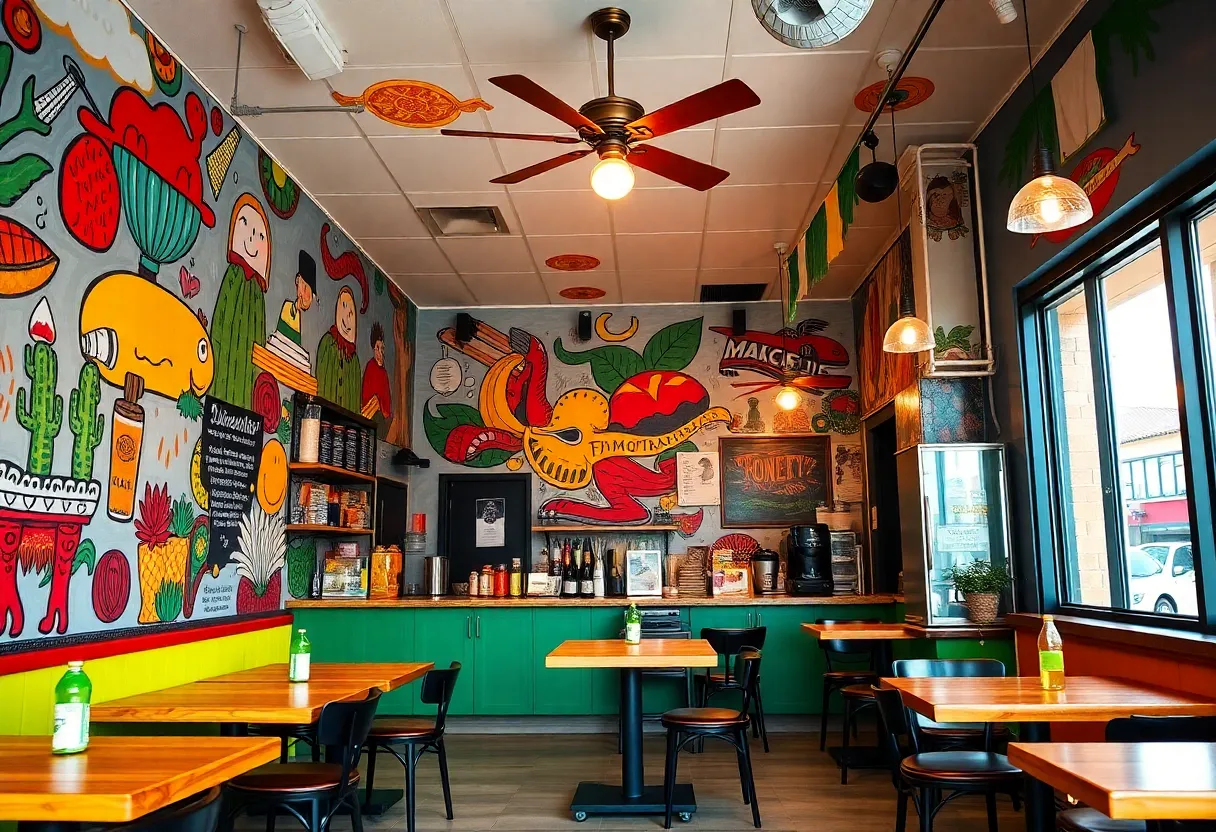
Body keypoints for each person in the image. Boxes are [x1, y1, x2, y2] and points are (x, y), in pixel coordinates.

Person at [276, 251, 317, 347]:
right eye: (305, 287)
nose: (307, 297)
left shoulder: (307, 321)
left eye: (311, 294)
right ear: (298, 281)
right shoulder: (288, 308)